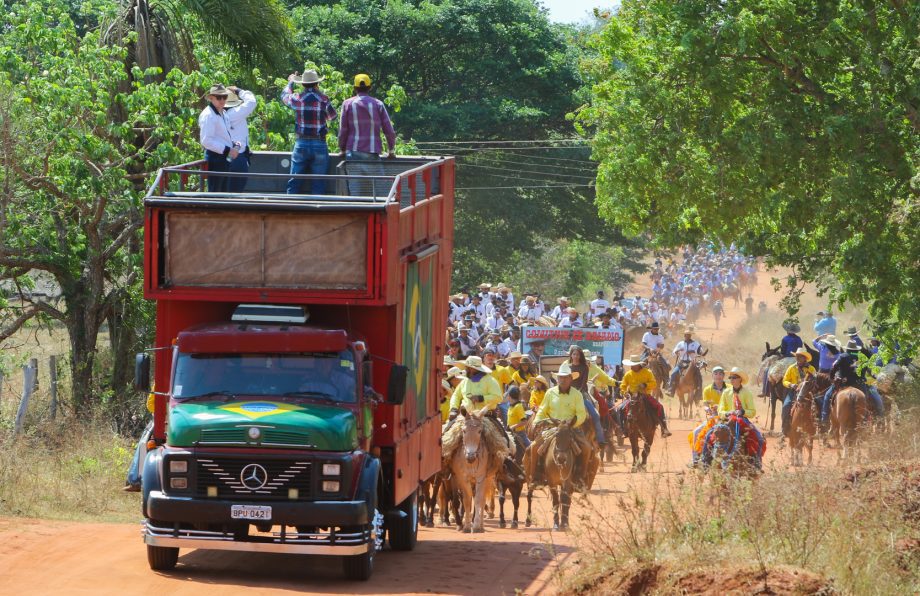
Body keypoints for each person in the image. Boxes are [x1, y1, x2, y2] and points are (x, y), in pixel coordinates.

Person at [531, 363, 592, 486]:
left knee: (587, 448)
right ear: (557, 378)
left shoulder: (577, 394)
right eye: (560, 377)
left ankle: (580, 476)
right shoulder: (550, 393)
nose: (562, 380)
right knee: (533, 447)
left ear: (570, 378)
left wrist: (573, 423)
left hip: (571, 428)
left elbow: (581, 414)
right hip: (552, 427)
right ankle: (535, 476)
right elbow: (542, 409)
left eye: (565, 377)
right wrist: (537, 421)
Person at [338, 74, 397, 196]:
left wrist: (342, 149)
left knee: (355, 192)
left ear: (355, 88)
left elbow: (343, 130)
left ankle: (356, 213)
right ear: (369, 87)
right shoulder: (378, 104)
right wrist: (391, 150)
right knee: (381, 191)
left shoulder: (347, 104)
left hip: (352, 153)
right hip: (372, 153)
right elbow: (389, 131)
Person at [282, 70, 338, 195]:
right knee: (319, 181)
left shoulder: (297, 98)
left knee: (295, 180)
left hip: (301, 143)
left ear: (302, 84)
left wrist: (291, 82)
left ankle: (289, 207)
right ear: (317, 83)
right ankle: (316, 210)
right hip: (319, 143)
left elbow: (284, 96)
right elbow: (332, 116)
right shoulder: (323, 99)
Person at [820, 340, 885, 425]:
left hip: (844, 384)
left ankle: (824, 419)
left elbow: (834, 367)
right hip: (860, 384)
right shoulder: (863, 357)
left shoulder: (842, 356)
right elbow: (868, 370)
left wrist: (832, 378)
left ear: (848, 349)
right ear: (856, 349)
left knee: (827, 396)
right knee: (874, 398)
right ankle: (879, 417)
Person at [199, 83, 241, 192]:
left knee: (223, 193)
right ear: (211, 98)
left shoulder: (223, 112)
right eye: (219, 97)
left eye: (225, 97)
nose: (222, 100)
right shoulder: (208, 115)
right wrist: (228, 149)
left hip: (223, 158)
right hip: (215, 158)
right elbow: (206, 141)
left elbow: (223, 135)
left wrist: (233, 144)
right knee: (215, 194)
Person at [563, 346, 609, 445]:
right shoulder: (567, 367)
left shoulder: (584, 367)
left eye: (577, 354)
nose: (575, 356)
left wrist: (576, 394)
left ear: (580, 356)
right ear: (571, 355)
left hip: (581, 394)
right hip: (567, 394)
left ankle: (600, 439)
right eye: (574, 354)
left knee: (595, 415)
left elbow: (583, 384)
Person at [619, 354, 671, 437]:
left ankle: (664, 428)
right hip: (631, 397)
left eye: (633, 365)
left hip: (645, 396)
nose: (631, 367)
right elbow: (623, 385)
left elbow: (654, 384)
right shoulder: (628, 374)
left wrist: (645, 385)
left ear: (638, 364)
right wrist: (624, 392)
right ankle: (623, 430)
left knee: (659, 407)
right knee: (620, 409)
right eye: (631, 365)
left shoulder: (647, 373)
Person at [780, 347, 817, 441]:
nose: (798, 358)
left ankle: (819, 427)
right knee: (786, 405)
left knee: (818, 405)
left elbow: (815, 380)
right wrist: (791, 385)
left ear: (805, 358)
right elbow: (785, 380)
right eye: (797, 356)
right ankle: (785, 429)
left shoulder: (811, 368)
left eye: (800, 357)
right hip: (794, 391)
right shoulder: (791, 368)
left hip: (808, 392)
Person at [669, 326, 703, 395]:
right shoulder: (680, 343)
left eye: (689, 335)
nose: (687, 336)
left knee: (699, 376)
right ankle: (671, 390)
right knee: (673, 373)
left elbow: (701, 352)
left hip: (692, 363)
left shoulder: (696, 343)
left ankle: (699, 393)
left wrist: (694, 351)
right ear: (684, 335)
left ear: (691, 335)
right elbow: (674, 352)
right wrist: (678, 351)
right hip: (682, 362)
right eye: (686, 335)